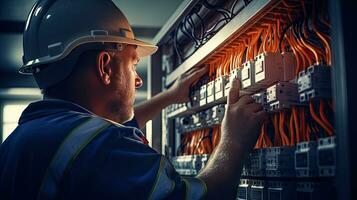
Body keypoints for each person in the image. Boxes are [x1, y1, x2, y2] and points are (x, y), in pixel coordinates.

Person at [0, 0, 267, 199]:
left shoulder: (21, 141)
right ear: (105, 66)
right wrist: (234, 141)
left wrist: (170, 96)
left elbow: (115, 133)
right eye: (133, 65)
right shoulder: (97, 143)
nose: (138, 80)